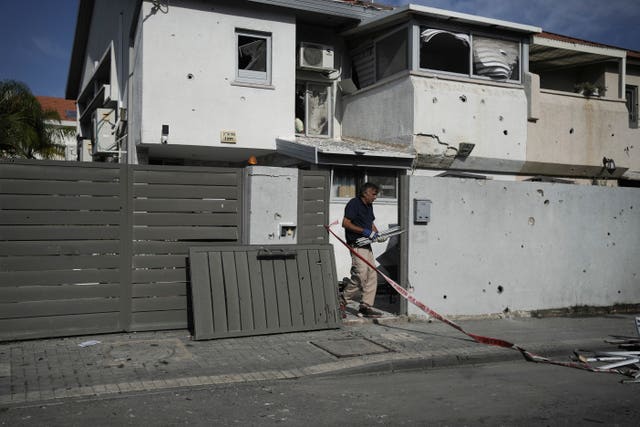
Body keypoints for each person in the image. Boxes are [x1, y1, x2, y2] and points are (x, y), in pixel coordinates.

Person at [341, 182, 386, 318]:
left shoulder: (369, 205)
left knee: (372, 275)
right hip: (356, 244)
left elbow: (370, 223)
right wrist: (365, 232)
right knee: (360, 275)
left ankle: (365, 306)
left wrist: (378, 234)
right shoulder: (354, 204)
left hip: (367, 245)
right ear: (365, 193)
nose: (375, 197)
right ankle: (341, 302)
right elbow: (346, 223)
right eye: (373, 194)